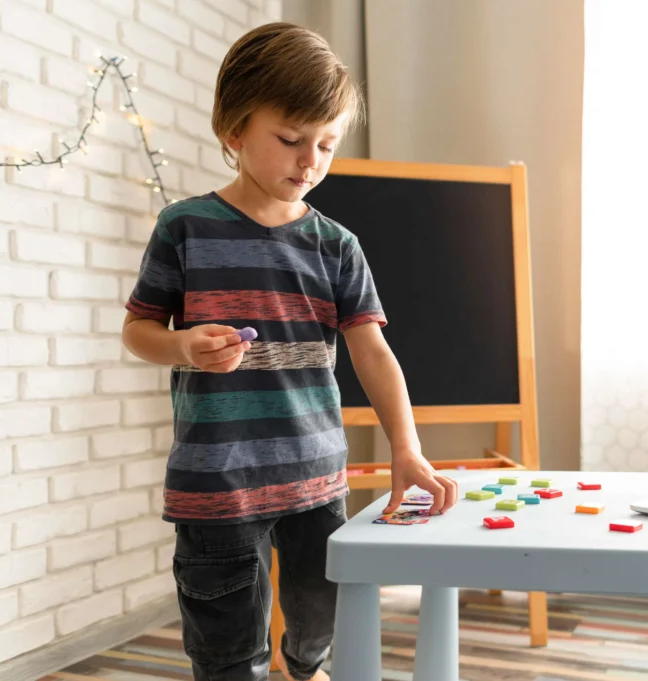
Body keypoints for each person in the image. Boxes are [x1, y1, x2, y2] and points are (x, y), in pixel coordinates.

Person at [121, 22, 459, 681]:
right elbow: (138, 332)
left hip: (315, 478)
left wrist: (407, 446)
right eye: (291, 139)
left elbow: (373, 353)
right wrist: (184, 345)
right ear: (234, 128)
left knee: (318, 626)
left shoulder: (337, 245)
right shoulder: (184, 228)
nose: (309, 161)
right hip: (217, 484)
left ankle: (301, 669)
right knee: (225, 650)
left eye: (326, 145)